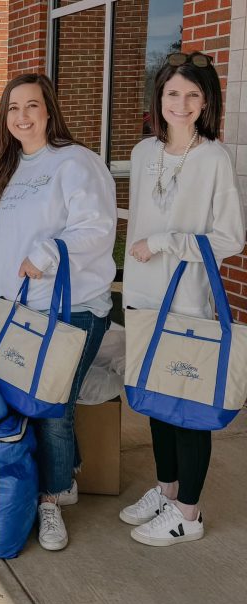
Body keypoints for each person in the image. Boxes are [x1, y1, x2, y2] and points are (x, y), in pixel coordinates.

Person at [0, 74, 116, 551]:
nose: (22, 116)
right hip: (16, 308)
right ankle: (61, 475)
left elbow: (97, 228)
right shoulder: (4, 168)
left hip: (70, 307)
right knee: (28, 401)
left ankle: (52, 499)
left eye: (32, 105)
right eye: (13, 108)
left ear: (49, 110)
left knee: (52, 408)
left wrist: (45, 254)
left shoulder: (75, 162)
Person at [120, 52, 244, 546]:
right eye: (173, 93)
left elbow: (231, 237)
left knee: (188, 404)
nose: (182, 103)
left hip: (187, 298)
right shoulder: (142, 152)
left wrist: (166, 242)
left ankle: (188, 513)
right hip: (142, 294)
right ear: (159, 97)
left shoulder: (214, 158)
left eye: (193, 94)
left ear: (206, 101)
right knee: (156, 399)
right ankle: (166, 490)